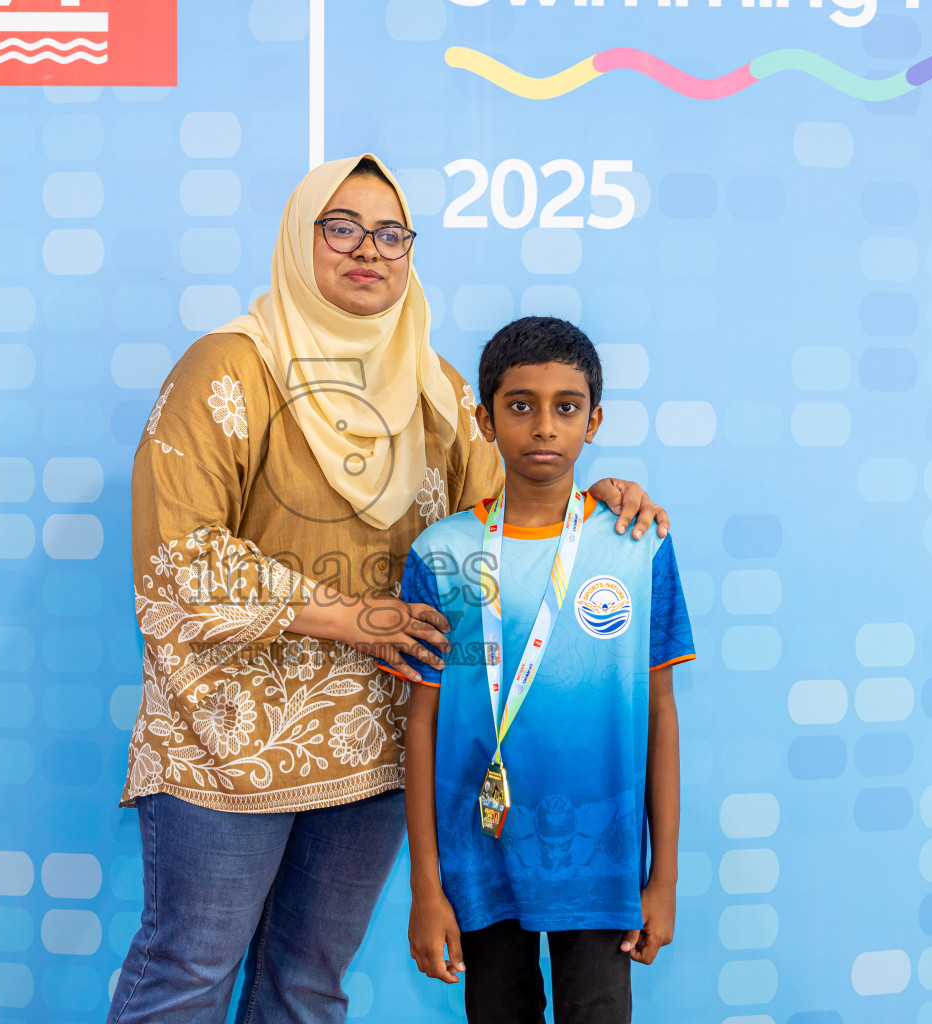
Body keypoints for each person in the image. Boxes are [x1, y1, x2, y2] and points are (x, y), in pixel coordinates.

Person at [109, 156, 668, 1024]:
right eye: (341, 228)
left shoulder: (437, 389)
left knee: (308, 981)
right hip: (228, 748)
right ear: (301, 240)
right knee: (191, 971)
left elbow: (513, 509)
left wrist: (602, 505)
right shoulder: (229, 368)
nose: (367, 250)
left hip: (373, 751)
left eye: (390, 233)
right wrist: (351, 618)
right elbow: (175, 559)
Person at [402, 317, 695, 1024]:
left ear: (593, 421)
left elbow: (660, 711)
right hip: (482, 856)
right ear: (485, 417)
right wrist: (426, 889)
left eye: (566, 407)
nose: (543, 426)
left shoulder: (638, 544)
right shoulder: (442, 553)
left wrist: (665, 878)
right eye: (520, 404)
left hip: (601, 862)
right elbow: (422, 723)